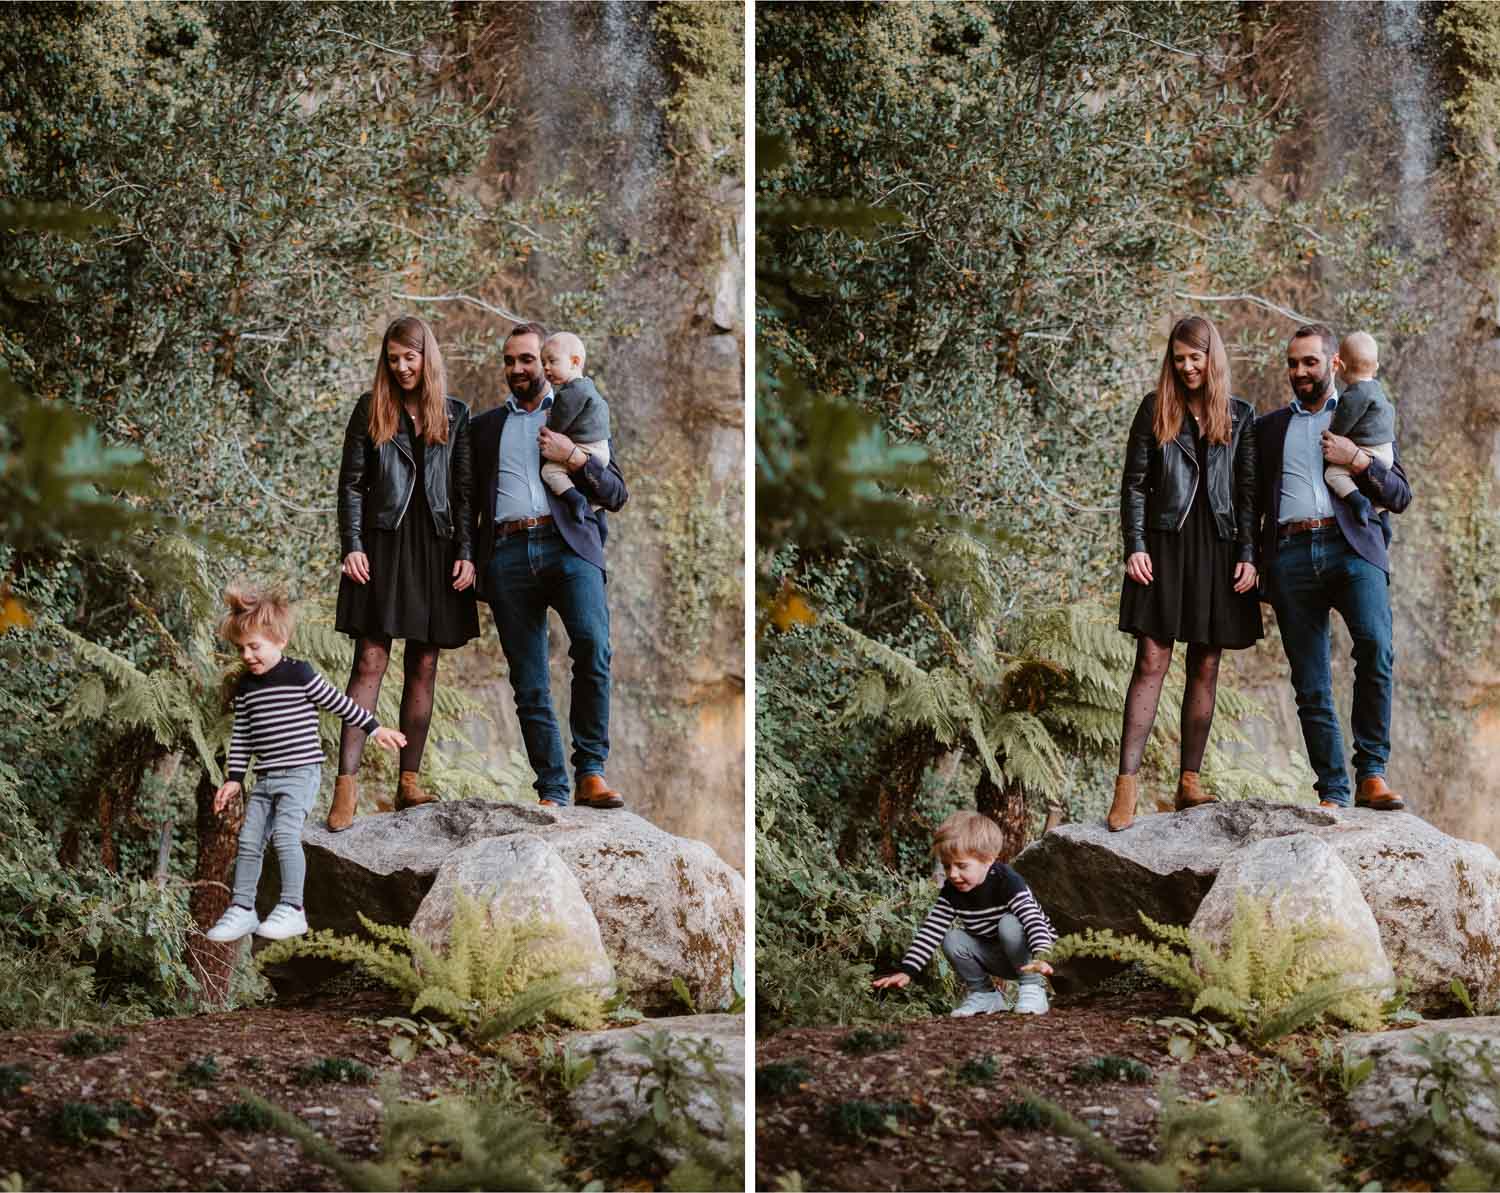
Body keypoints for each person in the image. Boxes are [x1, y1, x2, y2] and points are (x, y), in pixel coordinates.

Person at [1111, 315, 1261, 832]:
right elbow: (1133, 484)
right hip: (1164, 543)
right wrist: (1135, 545)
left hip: (1218, 548)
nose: (1187, 367)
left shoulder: (1240, 415)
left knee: (1206, 662)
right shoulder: (1155, 409)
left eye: (1195, 357)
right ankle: (1126, 786)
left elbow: (1247, 495)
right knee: (1151, 660)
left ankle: (1188, 782)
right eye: (1179, 359)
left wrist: (1249, 553)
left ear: (1211, 357)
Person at [471, 321, 629, 809]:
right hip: (507, 553)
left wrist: (575, 457)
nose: (517, 369)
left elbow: (617, 494)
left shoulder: (579, 411)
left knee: (593, 646)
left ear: (550, 363)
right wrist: (469, 557)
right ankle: (553, 790)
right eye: (509, 360)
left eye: (528, 359)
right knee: (530, 680)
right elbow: (463, 502)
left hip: (570, 546)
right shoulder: (484, 428)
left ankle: (591, 773)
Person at [1255, 323, 1412, 810]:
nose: (1300, 371)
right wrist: (1253, 560)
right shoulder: (1268, 428)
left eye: (1310, 362)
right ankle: (1334, 791)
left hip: (1354, 548)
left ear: (1334, 364)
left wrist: (1359, 460)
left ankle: (1372, 774)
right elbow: (1247, 504)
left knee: (1377, 648)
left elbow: (1400, 495)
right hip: (1290, 555)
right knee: (1311, 683)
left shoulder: (1363, 412)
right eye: (1293, 363)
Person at [333, 315, 477, 830]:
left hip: (435, 548)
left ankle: (408, 783)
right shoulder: (371, 409)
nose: (401, 367)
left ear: (426, 357)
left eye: (410, 357)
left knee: (424, 663)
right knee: (369, 661)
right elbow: (351, 484)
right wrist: (351, 545)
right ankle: (344, 789)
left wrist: (467, 552)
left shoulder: (455, 414)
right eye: (393, 359)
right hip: (382, 542)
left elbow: (464, 493)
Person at [206, 584, 406, 943]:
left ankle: (293, 908)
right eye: (241, 649)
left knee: (284, 836)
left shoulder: (300, 674)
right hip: (265, 779)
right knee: (249, 842)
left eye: (255, 646)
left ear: (279, 640)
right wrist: (234, 779)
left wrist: (375, 729)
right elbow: (242, 737)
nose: (248, 655)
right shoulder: (247, 688)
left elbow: (340, 704)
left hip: (300, 775)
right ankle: (242, 908)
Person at [872, 811, 1057, 1017]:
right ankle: (985, 995)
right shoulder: (952, 891)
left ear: (988, 860)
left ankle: (1033, 988)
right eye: (947, 866)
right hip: (998, 958)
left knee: (1009, 923)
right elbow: (930, 931)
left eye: (961, 866)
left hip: (1033, 956)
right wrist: (907, 971)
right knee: (952, 938)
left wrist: (1042, 955)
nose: (952, 874)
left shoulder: (1007, 881)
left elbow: (1033, 919)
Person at [1325, 331, 1396, 520]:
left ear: (1340, 365)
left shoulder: (1354, 395)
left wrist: (1330, 435)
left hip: (1368, 452)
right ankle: (1383, 519)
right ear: (1376, 368)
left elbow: (1340, 428)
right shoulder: (1378, 392)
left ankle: (1358, 501)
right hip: (1385, 452)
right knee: (1373, 488)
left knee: (1333, 475)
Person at [539, 331, 611, 516]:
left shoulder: (570, 393)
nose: (546, 368)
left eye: (552, 361)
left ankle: (574, 499)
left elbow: (556, 428)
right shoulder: (588, 388)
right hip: (599, 451)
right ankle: (596, 516)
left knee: (550, 472)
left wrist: (547, 421)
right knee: (589, 491)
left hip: (586, 450)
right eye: (543, 363)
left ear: (575, 362)